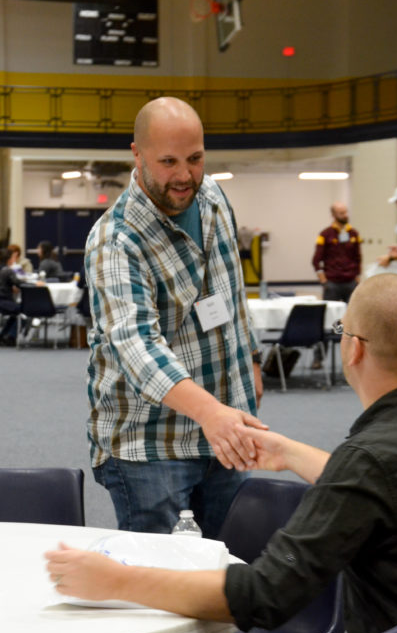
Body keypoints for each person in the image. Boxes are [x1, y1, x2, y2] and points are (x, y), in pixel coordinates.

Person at [47, 274, 397, 633]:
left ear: (355, 350)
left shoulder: (370, 457)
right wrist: (287, 452)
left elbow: (263, 597)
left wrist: (118, 581)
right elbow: (396, 492)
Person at [84, 96, 265, 539]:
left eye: (196, 158)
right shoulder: (115, 240)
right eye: (168, 162)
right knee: (162, 587)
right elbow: (137, 347)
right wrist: (212, 413)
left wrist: (253, 360)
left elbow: (232, 290)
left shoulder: (214, 197)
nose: (185, 176)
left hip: (226, 432)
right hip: (151, 446)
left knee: (229, 572)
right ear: (137, 154)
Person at [310, 201, 361, 369]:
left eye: (346, 212)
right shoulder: (325, 234)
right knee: (328, 321)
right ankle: (318, 358)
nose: (345, 215)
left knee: (353, 321)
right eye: (341, 213)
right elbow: (316, 260)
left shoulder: (354, 233)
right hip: (332, 283)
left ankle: (354, 357)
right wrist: (323, 280)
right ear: (333, 215)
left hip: (350, 283)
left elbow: (358, 258)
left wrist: (357, 278)